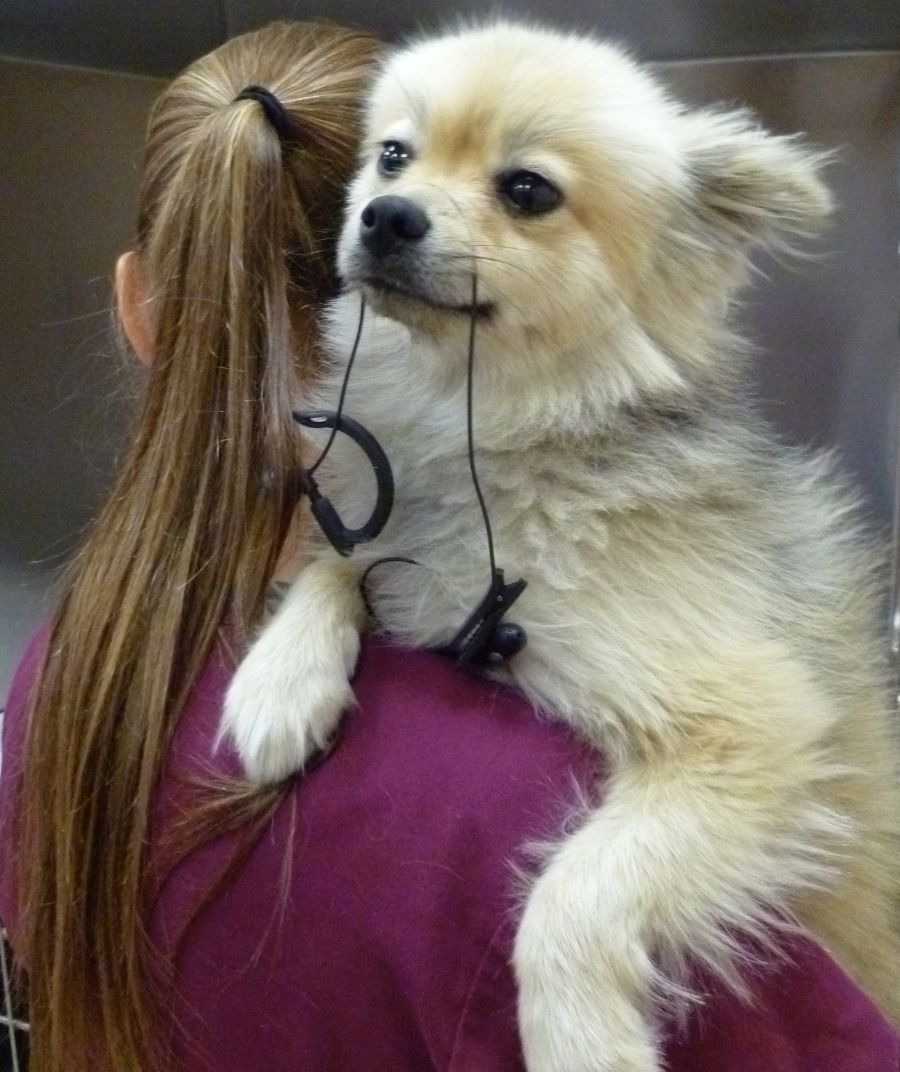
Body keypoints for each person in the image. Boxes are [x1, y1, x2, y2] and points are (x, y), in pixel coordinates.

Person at [0, 19, 897, 1072]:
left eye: (522, 190)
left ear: (139, 308)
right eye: (395, 158)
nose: (407, 202)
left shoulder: (63, 675)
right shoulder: (511, 807)